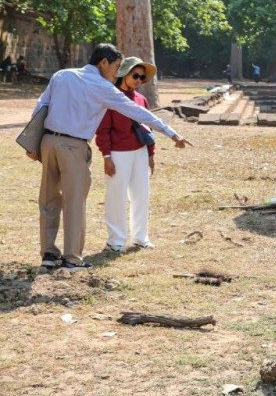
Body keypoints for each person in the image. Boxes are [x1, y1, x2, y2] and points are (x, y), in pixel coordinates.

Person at [27, 44, 191, 270]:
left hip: (48, 142)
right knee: (74, 202)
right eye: (116, 67)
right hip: (73, 146)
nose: (117, 73)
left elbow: (41, 105)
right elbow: (138, 112)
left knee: (48, 199)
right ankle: (72, 258)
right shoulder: (103, 87)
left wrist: (32, 141)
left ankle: (48, 254)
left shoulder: (62, 75)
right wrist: (171, 133)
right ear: (103, 63)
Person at [96, 57, 158, 252]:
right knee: (116, 196)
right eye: (135, 75)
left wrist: (150, 154)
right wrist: (106, 156)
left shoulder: (141, 99)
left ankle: (140, 237)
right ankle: (116, 240)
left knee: (141, 195)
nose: (139, 80)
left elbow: (148, 127)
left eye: (142, 78)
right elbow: (103, 130)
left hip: (140, 151)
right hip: (118, 153)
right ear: (124, 73)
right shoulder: (111, 97)